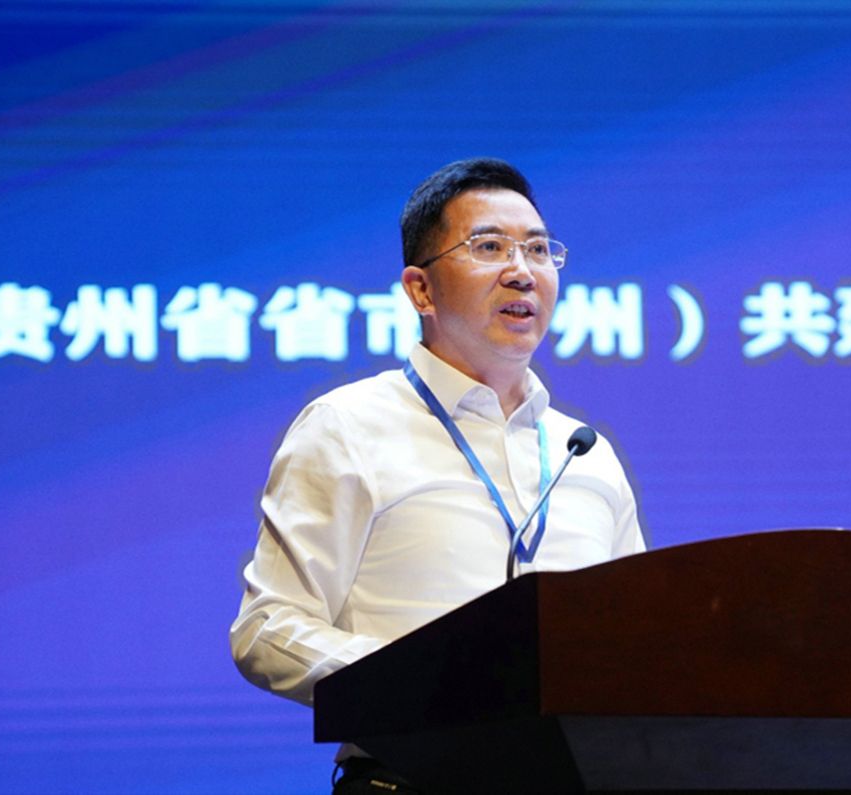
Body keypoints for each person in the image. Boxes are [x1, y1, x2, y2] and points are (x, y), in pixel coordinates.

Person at [230, 158, 646, 792]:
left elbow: (635, 643)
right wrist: (423, 681)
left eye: (538, 250)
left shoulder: (586, 454)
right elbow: (266, 630)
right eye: (489, 247)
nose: (522, 270)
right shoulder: (347, 426)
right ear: (421, 290)